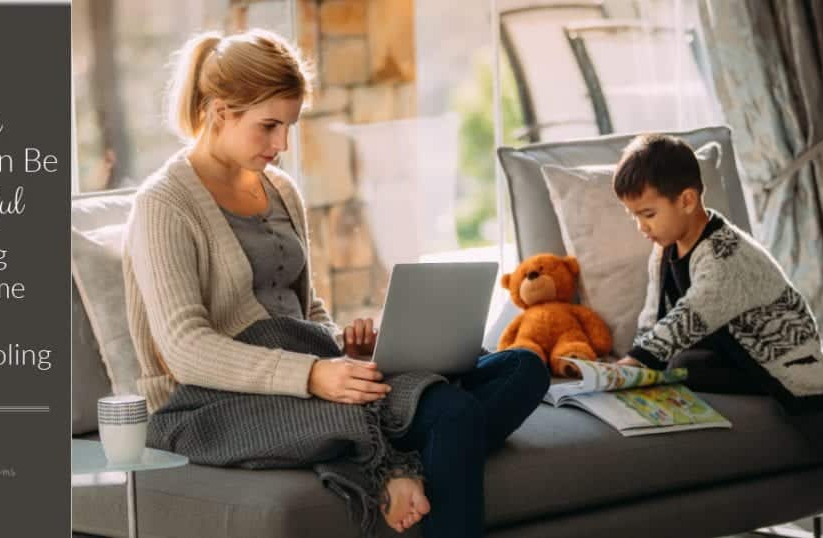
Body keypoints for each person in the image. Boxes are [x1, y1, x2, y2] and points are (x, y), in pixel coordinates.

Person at [121, 28, 550, 537]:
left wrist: (347, 343)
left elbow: (307, 310)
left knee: (522, 368)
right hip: (211, 401)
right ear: (220, 113)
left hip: (304, 367)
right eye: (269, 126)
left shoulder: (279, 189)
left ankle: (392, 465)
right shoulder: (164, 204)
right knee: (452, 413)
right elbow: (186, 349)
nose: (282, 145)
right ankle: (389, 468)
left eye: (289, 126)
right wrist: (311, 376)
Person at [611, 134, 823, 537]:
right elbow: (655, 313)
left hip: (782, 356)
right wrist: (631, 364)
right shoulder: (665, 250)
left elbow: (691, 314)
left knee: (809, 410)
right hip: (732, 350)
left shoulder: (726, 254)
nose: (641, 227)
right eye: (634, 216)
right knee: (681, 365)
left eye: (648, 214)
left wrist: (638, 361)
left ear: (687, 200)